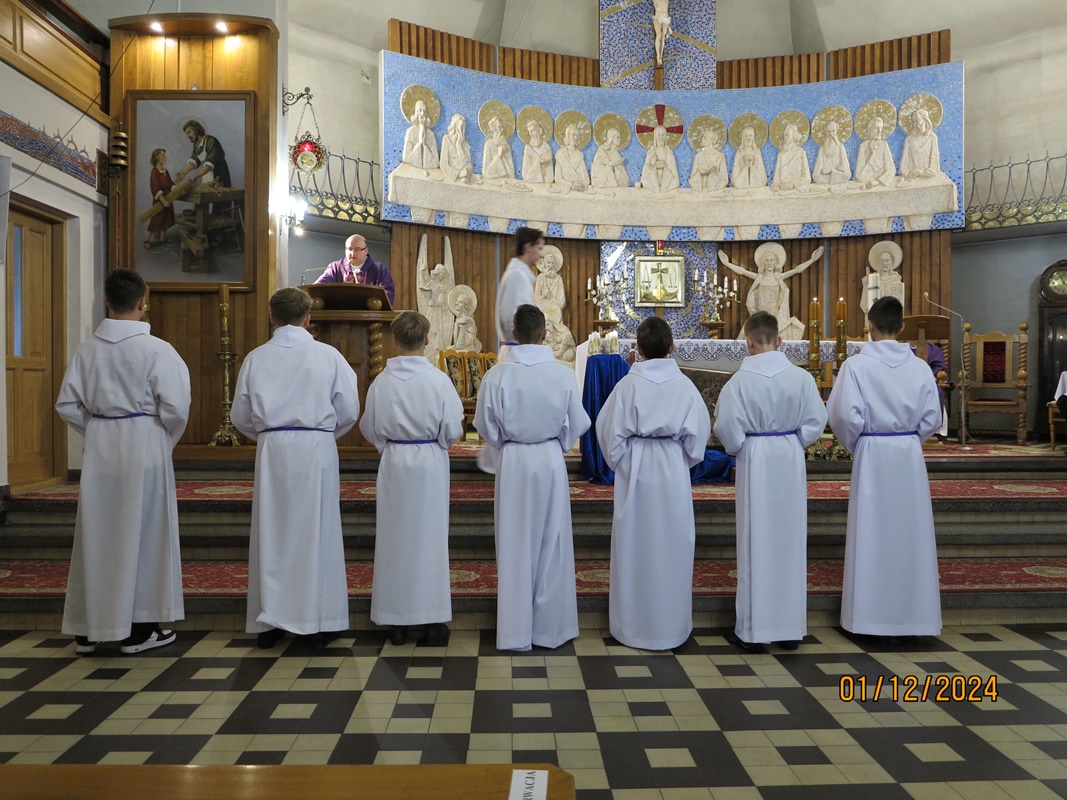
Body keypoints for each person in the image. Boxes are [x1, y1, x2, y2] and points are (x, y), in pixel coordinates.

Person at [56, 269, 191, 655]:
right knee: (145, 535)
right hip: (144, 442)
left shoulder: (87, 349)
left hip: (101, 446)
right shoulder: (158, 350)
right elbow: (176, 408)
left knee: (98, 534)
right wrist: (160, 439)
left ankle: (90, 630)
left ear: (107, 301)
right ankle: (138, 630)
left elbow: (67, 404)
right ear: (143, 301)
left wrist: (100, 429)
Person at [230, 288, 361, 649]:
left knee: (272, 533)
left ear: (271, 317)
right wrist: (323, 434)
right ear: (308, 318)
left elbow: (240, 415)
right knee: (316, 533)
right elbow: (349, 410)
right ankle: (314, 624)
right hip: (315, 447)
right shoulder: (328, 356)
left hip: (272, 449)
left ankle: (270, 622)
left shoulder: (256, 358)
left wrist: (269, 434)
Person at [474, 304, 590, 650]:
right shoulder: (562, 375)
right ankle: (549, 630)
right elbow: (577, 423)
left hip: (513, 460)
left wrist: (508, 443)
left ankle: (515, 632)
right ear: (544, 334)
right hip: (549, 459)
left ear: (514, 333)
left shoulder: (498, 375)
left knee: (514, 543)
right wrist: (557, 442)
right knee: (551, 542)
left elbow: (485, 426)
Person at [827, 296, 942, 637]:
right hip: (908, 454)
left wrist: (860, 443)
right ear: (902, 327)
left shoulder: (856, 367)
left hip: (873, 452)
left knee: (871, 530)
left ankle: (868, 618)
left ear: (870, 326)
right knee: (910, 533)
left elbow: (843, 416)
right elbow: (932, 419)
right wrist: (909, 439)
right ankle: (914, 619)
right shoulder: (919, 367)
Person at [713, 311, 827, 652]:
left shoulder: (739, 383)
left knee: (756, 540)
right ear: (779, 341)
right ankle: (789, 629)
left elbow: (727, 429)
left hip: (756, 457)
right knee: (789, 540)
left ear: (748, 342)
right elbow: (816, 421)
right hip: (789, 456)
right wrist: (793, 441)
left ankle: (754, 631)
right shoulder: (801, 378)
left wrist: (741, 447)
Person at [596, 317, 710, 650]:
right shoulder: (684, 386)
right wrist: (679, 457)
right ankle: (670, 627)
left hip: (635, 465)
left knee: (635, 544)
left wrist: (622, 460)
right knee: (672, 544)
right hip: (672, 466)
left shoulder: (628, 386)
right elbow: (698, 438)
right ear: (672, 347)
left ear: (638, 350)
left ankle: (632, 627)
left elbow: (608, 432)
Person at [359, 312, 465, 646]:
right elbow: (453, 430)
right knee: (430, 540)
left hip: (395, 460)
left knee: (395, 540)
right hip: (429, 461)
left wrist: (389, 446)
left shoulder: (382, 382)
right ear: (427, 339)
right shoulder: (438, 381)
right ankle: (432, 622)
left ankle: (397, 623)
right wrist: (437, 442)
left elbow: (369, 428)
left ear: (395, 340)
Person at [719, 242, 824, 340]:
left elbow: (797, 270)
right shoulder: (759, 278)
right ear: (763, 263)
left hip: (775, 317)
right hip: (760, 317)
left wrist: (812, 260)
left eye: (772, 260)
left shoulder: (779, 278)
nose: (769, 263)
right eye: (767, 260)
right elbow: (743, 271)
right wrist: (726, 263)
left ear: (775, 263)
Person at [495, 227, 542, 360]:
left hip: (519, 351)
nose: (541, 254)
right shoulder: (517, 277)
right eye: (539, 248)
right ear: (528, 247)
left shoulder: (519, 275)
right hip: (517, 354)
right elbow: (513, 319)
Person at [315, 234, 396, 306]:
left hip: (368, 316)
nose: (352, 253)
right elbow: (318, 288)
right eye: (349, 249)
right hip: (339, 314)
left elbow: (387, 294)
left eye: (357, 249)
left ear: (366, 251)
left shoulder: (379, 269)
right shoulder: (335, 268)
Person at [174, 119, 232, 189]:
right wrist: (183, 172)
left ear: (196, 130)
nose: (188, 136)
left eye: (189, 132)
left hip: (219, 176)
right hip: (207, 175)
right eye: (186, 134)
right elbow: (194, 161)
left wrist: (197, 176)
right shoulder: (196, 145)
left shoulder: (211, 141)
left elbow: (211, 163)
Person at [144, 148, 175, 249]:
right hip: (160, 200)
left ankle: (163, 239)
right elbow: (155, 187)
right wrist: (163, 201)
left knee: (166, 218)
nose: (165, 157)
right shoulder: (154, 172)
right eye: (163, 155)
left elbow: (170, 183)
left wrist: (176, 189)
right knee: (156, 220)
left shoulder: (166, 172)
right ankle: (146, 240)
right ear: (157, 158)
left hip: (168, 198)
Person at [854, 116, 896, 188]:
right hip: (866, 183)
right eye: (876, 128)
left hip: (880, 183)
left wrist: (878, 181)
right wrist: (872, 155)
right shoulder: (863, 146)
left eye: (881, 128)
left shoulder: (883, 145)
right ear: (869, 130)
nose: (880, 131)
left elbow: (891, 169)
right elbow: (859, 175)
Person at [900, 108, 942, 179]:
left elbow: (935, 166)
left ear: (925, 120)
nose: (915, 124)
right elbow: (903, 167)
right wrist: (910, 173)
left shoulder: (932, 137)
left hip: (928, 178)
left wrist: (926, 172)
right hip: (913, 179)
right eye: (913, 122)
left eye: (917, 121)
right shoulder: (909, 139)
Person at [770, 123, 811, 191]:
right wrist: (775, 185)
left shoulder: (801, 153)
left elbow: (807, 177)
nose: (785, 138)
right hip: (783, 189)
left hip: (797, 188)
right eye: (784, 135)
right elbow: (776, 180)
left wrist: (793, 184)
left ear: (793, 136)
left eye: (787, 135)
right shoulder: (780, 155)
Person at [639, 125, 680, 193]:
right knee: (646, 180)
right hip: (653, 179)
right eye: (659, 135)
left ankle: (662, 190)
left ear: (666, 136)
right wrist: (653, 166)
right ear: (655, 136)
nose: (661, 137)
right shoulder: (652, 151)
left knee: (672, 179)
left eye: (663, 135)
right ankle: (657, 190)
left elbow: (673, 169)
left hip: (667, 179)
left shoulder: (668, 151)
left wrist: (665, 166)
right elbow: (646, 168)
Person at [401, 99, 439, 170]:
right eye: (420, 110)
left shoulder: (431, 134)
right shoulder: (411, 131)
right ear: (416, 112)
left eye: (424, 111)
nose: (422, 114)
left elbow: (435, 161)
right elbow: (406, 157)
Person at [689, 127, 728, 192]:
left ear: (712, 140)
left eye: (705, 137)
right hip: (700, 190)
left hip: (715, 190)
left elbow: (724, 179)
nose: (702, 139)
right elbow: (692, 178)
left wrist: (713, 173)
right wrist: (700, 173)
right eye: (702, 137)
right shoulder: (698, 156)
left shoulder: (720, 156)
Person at [555, 124, 591, 193]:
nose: (575, 138)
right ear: (567, 136)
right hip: (565, 189)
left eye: (577, 135)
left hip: (579, 190)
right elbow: (558, 178)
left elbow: (586, 178)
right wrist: (571, 185)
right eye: (573, 135)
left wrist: (581, 184)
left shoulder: (580, 155)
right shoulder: (560, 154)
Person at [813, 120, 851, 185]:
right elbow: (816, 174)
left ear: (837, 131)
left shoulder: (840, 147)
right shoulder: (822, 149)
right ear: (825, 132)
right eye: (829, 131)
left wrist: (837, 170)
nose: (831, 134)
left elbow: (847, 171)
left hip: (838, 176)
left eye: (833, 131)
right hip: (825, 177)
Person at [440, 113, 474, 183]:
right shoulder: (446, 139)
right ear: (454, 125)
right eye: (460, 126)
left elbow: (469, 166)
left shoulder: (465, 143)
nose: (462, 129)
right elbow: (443, 164)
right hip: (452, 176)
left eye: (464, 127)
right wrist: (458, 174)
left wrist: (459, 145)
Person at [481, 115, 515, 182]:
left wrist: (503, 156)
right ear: (493, 128)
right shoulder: (489, 144)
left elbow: (511, 174)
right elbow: (486, 173)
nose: (502, 130)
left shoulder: (507, 146)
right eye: (499, 127)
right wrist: (499, 156)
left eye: (502, 127)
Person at [521, 119, 553, 184]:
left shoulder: (546, 147)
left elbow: (550, 167)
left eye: (533, 130)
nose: (531, 134)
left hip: (545, 181)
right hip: (531, 180)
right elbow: (525, 171)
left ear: (539, 130)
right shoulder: (528, 148)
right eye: (529, 132)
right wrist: (538, 163)